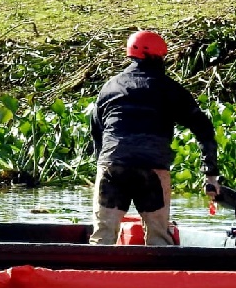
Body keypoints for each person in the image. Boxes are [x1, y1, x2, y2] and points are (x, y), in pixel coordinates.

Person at [86, 30, 220, 245]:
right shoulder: (170, 89)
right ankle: (160, 272)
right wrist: (210, 174)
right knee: (159, 238)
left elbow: (96, 130)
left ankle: (94, 276)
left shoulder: (109, 87)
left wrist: (103, 164)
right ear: (160, 56)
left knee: (102, 236)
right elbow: (203, 129)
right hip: (152, 169)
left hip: (112, 165)